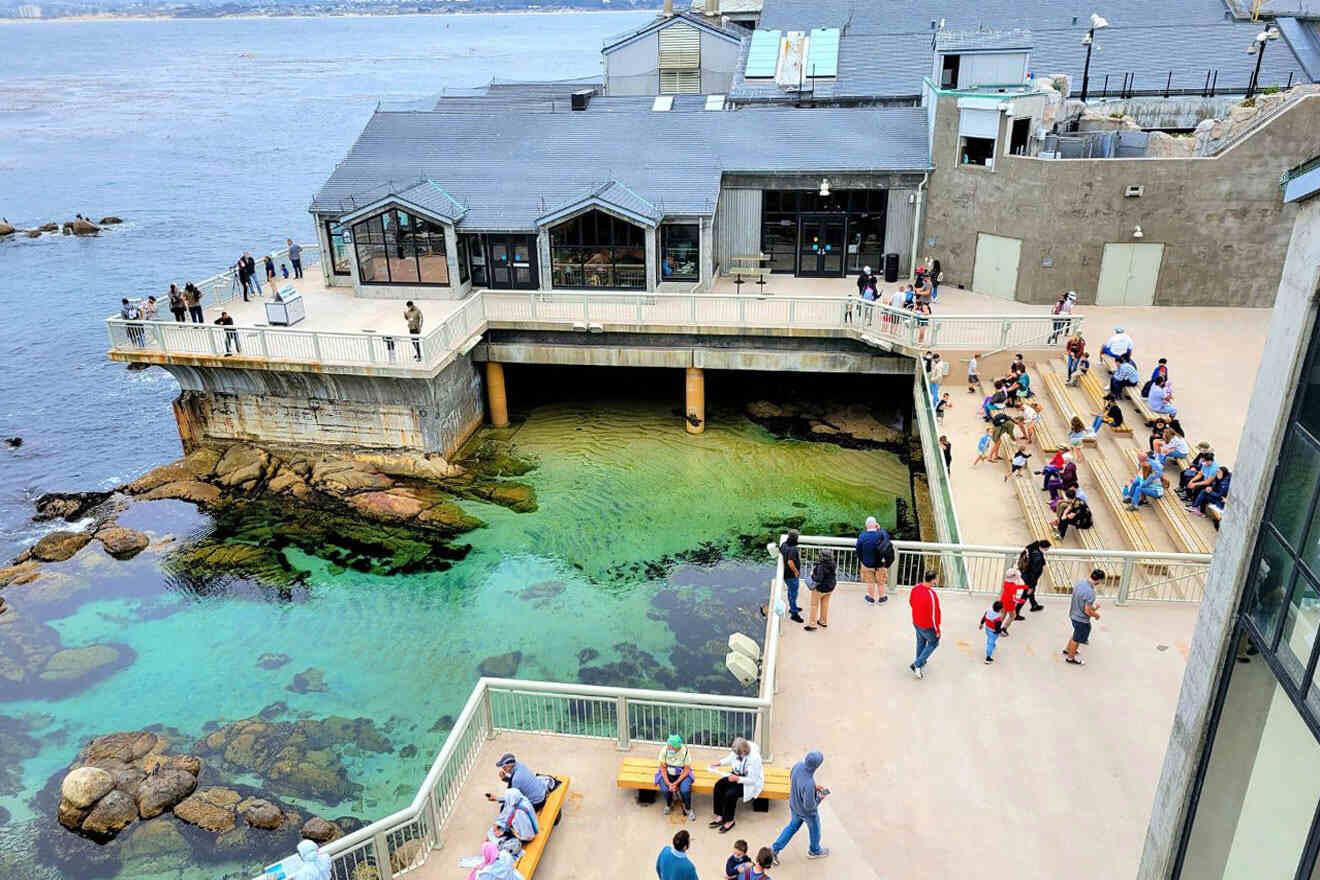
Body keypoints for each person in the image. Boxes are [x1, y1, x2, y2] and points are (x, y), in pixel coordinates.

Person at [770, 751, 828, 862]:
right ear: (816, 766)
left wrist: (813, 789)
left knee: (791, 827)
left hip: (794, 805)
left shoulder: (798, 766)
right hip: (807, 813)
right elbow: (809, 806)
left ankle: (774, 849)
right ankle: (814, 850)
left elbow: (794, 780)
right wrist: (819, 797)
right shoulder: (809, 783)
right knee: (815, 829)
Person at [707, 736, 764, 833]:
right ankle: (720, 814)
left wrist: (738, 778)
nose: (736, 756)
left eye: (739, 754)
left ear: (745, 751)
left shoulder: (755, 758)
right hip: (736, 775)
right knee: (719, 785)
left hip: (747, 782)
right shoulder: (738, 750)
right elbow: (730, 758)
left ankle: (730, 820)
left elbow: (753, 780)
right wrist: (719, 763)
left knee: (731, 794)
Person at [1065, 569, 1104, 666]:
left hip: (1073, 614)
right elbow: (1087, 610)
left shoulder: (1080, 583)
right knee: (1077, 639)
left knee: (1076, 634)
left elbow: (1082, 603)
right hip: (1081, 619)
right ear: (1099, 580)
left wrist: (1093, 608)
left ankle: (1068, 650)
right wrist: (1096, 615)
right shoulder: (1090, 592)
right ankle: (1071, 658)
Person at [655, 735, 696, 821]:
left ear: (678, 747)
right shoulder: (664, 750)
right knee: (665, 789)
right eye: (668, 746)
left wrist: (675, 783)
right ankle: (669, 804)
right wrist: (668, 783)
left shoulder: (685, 752)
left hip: (682, 775)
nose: (669, 748)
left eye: (672, 747)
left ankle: (688, 808)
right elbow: (662, 768)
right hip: (667, 773)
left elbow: (686, 770)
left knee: (685, 789)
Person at [909, 570, 941, 679]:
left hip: (916, 622)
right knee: (934, 643)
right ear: (932, 581)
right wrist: (937, 630)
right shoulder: (932, 595)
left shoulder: (915, 588)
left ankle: (920, 661)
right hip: (927, 626)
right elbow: (934, 615)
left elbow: (911, 602)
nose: (937, 580)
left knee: (921, 641)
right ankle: (917, 664)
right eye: (936, 578)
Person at [487, 788, 538, 858]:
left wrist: (510, 832)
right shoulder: (522, 799)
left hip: (527, 837)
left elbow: (527, 836)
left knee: (492, 836)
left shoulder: (519, 814)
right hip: (531, 829)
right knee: (498, 830)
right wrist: (497, 798)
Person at [856, 516, 894, 605]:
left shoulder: (862, 536)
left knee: (870, 582)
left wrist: (863, 560)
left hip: (867, 564)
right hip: (880, 564)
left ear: (866, 526)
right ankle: (882, 599)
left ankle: (871, 599)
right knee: (881, 582)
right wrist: (880, 528)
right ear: (876, 525)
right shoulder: (881, 534)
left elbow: (858, 551)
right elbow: (887, 538)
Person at [774, 530, 804, 623]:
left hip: (786, 574)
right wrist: (796, 572)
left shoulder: (783, 544)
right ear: (795, 538)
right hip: (791, 575)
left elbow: (780, 552)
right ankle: (794, 613)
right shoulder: (793, 549)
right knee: (793, 592)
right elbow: (790, 562)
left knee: (791, 591)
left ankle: (793, 607)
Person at [804, 549, 837, 632]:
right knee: (825, 604)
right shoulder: (833, 563)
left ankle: (812, 625)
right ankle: (823, 621)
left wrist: (812, 575)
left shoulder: (821, 566)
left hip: (820, 589)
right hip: (830, 587)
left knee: (814, 605)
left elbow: (818, 579)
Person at [1018, 540, 1050, 612]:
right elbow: (1033, 573)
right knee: (1026, 593)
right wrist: (1031, 586)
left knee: (1031, 592)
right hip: (1029, 578)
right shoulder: (1038, 557)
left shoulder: (1032, 549)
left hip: (1025, 573)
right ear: (1045, 548)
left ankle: (1034, 605)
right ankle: (1016, 611)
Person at [980, 600, 1005, 664]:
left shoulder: (989, 610)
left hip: (987, 629)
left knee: (990, 639)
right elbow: (997, 630)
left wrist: (981, 623)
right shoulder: (997, 619)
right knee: (990, 643)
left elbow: (984, 617)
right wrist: (1001, 633)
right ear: (1000, 609)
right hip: (993, 632)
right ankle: (988, 658)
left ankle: (993, 644)